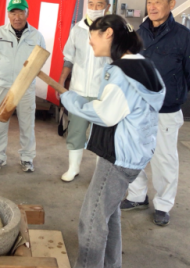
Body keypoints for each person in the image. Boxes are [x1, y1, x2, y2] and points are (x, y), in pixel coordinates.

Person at [60, 15, 165, 268]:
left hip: (118, 158)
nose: (90, 41)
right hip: (135, 152)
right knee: (109, 215)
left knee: (91, 219)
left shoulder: (121, 71)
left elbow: (105, 114)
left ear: (108, 33)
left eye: (92, 35)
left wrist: (70, 99)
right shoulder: (144, 64)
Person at [121, 0, 190, 226]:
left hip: (166, 110)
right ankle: (137, 196)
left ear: (171, 4)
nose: (152, 6)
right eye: (149, 1)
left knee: (164, 159)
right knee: (133, 154)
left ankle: (163, 204)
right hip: (138, 108)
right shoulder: (138, 33)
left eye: (158, 0)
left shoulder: (183, 36)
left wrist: (173, 92)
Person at [57, 0, 112, 182]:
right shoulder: (77, 29)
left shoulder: (112, 32)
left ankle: (100, 173)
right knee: (76, 131)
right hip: (78, 91)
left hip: (102, 93)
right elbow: (69, 58)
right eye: (91, 4)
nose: (94, 8)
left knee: (101, 134)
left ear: (108, 7)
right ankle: (73, 168)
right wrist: (62, 80)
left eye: (99, 5)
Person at [0, 0, 46, 172]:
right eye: (13, 12)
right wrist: (1, 72)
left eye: (21, 12)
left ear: (27, 13)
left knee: (27, 124)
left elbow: (40, 60)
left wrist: (26, 77)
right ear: (8, 14)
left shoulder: (36, 36)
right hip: (3, 85)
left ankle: (27, 158)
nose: (17, 17)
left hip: (26, 87)